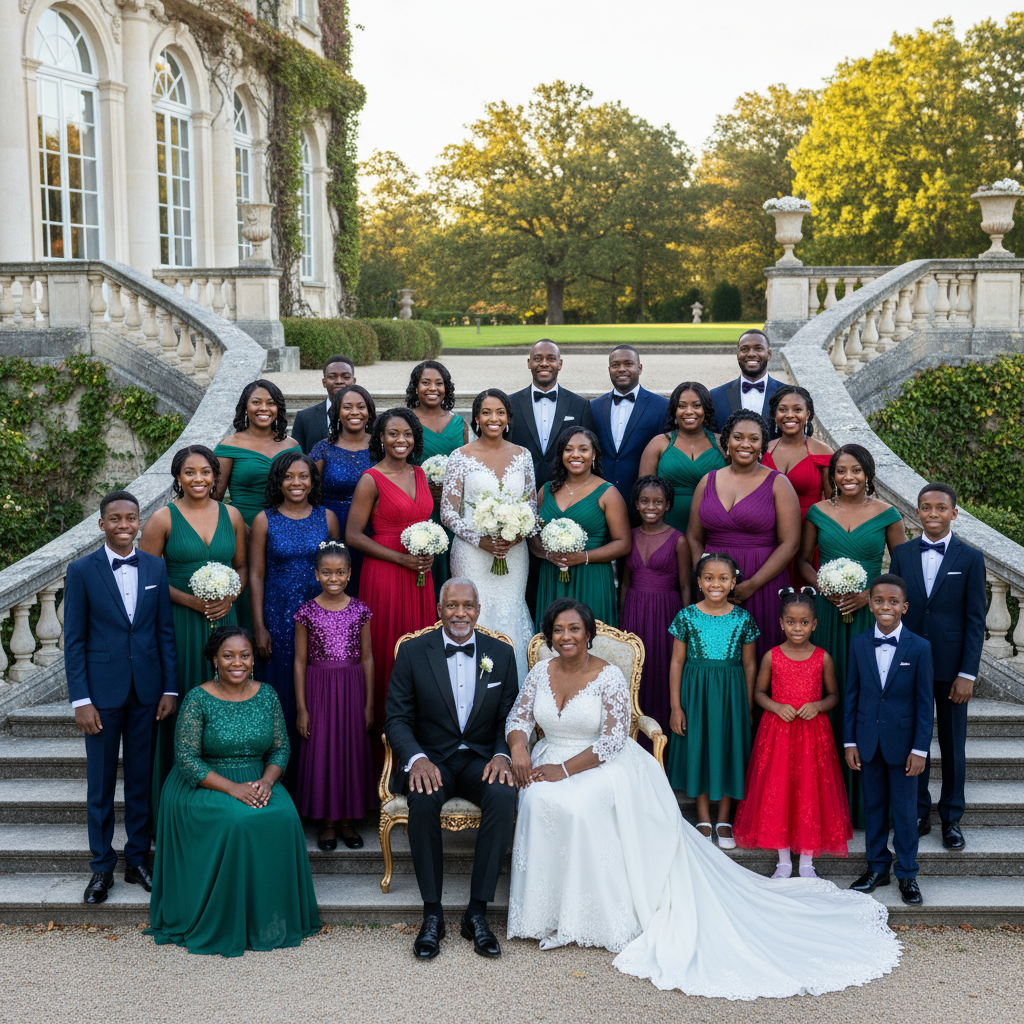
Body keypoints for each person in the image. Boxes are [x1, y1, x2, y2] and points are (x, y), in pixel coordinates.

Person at [505, 598, 901, 998]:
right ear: (549, 635)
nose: (567, 636)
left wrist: (566, 770)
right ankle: (546, 913)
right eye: (559, 630)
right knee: (537, 800)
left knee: (576, 805)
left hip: (601, 762)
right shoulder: (540, 671)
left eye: (575, 629)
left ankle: (588, 916)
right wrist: (519, 747)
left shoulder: (607, 674)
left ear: (588, 634)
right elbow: (518, 718)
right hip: (547, 755)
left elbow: (612, 739)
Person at [146, 627, 320, 956]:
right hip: (204, 781)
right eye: (228, 656)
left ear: (254, 659)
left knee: (283, 815)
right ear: (214, 659)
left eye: (244, 655)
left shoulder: (267, 694)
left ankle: (269, 917)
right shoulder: (198, 698)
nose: (237, 663)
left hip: (257, 776)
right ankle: (229, 919)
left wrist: (267, 782)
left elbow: (281, 750)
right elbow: (186, 759)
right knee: (237, 820)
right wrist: (233, 789)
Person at [383, 579, 519, 960]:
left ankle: (477, 912)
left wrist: (501, 755)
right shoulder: (412, 652)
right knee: (422, 799)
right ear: (439, 609)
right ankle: (432, 914)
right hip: (432, 759)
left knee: (503, 795)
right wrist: (416, 759)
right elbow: (396, 718)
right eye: (452, 606)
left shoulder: (501, 653)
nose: (461, 613)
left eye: (468, 606)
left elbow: (509, 715)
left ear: (478, 608)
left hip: (480, 759)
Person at [64, 490, 178, 905]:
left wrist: (169, 687)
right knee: (100, 784)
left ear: (139, 523)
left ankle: (137, 859)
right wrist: (81, 700)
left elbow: (164, 631)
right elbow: (73, 641)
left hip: (147, 691)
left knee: (140, 780)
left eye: (131, 518)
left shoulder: (154, 566)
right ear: (102, 524)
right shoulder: (81, 571)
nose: (125, 525)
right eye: (116, 519)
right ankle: (100, 868)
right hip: (101, 694)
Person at [796, 443, 906, 827]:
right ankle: (826, 799)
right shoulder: (817, 512)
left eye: (856, 470)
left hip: (869, 618)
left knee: (866, 698)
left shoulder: (887, 515)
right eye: (840, 471)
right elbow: (803, 563)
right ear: (832, 476)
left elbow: (902, 568)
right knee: (827, 695)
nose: (848, 478)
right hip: (826, 616)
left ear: (868, 473)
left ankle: (866, 803)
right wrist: (824, 587)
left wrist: (868, 596)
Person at [139, 446, 248, 828]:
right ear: (178, 476)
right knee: (185, 699)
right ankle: (171, 808)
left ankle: (225, 794)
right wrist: (191, 600)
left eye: (206, 472)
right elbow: (146, 577)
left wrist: (230, 597)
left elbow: (243, 566)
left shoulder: (231, 514)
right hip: (181, 622)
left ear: (216, 476)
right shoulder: (161, 520)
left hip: (225, 620)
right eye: (190, 472)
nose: (198, 479)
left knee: (226, 705)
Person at [889, 482, 986, 850]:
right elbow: (895, 610)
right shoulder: (902, 553)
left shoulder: (971, 558)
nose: (933, 514)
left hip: (951, 669)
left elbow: (976, 620)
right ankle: (918, 810)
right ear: (917, 512)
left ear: (954, 513)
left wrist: (967, 673)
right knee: (915, 741)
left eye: (941, 508)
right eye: (926, 508)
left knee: (952, 743)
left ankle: (952, 818)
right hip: (910, 663)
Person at [733, 588, 851, 880]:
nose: (797, 628)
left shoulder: (822, 658)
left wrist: (818, 705)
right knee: (779, 790)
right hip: (778, 732)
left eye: (803, 622)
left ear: (814, 624)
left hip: (813, 734)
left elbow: (835, 695)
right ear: (781, 623)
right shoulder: (772, 656)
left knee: (810, 790)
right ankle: (783, 860)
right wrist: (775, 706)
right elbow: (758, 692)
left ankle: (808, 862)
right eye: (791, 622)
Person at [346, 408, 436, 756]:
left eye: (408, 434)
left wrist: (427, 552)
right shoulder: (370, 478)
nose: (401, 440)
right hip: (385, 574)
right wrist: (401, 558)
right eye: (393, 434)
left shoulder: (420, 473)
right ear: (380, 437)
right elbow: (353, 535)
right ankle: (382, 757)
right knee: (387, 653)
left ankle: (421, 748)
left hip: (420, 577)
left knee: (422, 654)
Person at [249, 453, 339, 790]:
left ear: (313, 481)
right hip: (279, 615)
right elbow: (256, 575)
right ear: (278, 481)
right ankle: (282, 788)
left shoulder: (327, 518)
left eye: (304, 476)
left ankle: (317, 788)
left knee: (317, 699)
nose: (297, 482)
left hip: (321, 616)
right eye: (289, 476)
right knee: (283, 697)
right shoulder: (264, 520)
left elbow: (338, 570)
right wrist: (259, 626)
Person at [845, 574, 934, 907]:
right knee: (874, 807)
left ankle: (907, 873)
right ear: (870, 605)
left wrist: (920, 749)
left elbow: (926, 703)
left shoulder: (920, 647)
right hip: (868, 741)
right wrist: (849, 742)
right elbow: (852, 695)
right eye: (879, 600)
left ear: (904, 607)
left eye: (893, 601)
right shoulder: (858, 644)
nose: (886, 606)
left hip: (905, 745)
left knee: (905, 810)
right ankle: (877, 866)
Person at [441, 389, 536, 682]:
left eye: (499, 413)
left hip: (513, 553)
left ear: (508, 418)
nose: (493, 418)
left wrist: (517, 535)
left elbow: (531, 506)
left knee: (511, 611)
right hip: (472, 553)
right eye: (486, 413)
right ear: (476, 419)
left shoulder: (523, 456)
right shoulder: (461, 457)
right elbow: (448, 511)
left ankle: (513, 691)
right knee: (472, 610)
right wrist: (479, 539)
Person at [687, 411, 800, 658]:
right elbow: (694, 537)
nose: (745, 444)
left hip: (762, 580)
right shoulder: (708, 481)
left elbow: (790, 544)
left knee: (759, 652)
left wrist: (750, 585)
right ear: (726, 441)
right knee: (715, 653)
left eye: (754, 439)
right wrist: (704, 578)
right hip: (715, 585)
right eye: (738, 437)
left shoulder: (778, 483)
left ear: (763, 444)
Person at [666, 554, 759, 849]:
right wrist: (676, 706)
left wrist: (747, 704)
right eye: (708, 578)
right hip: (696, 692)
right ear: (699, 582)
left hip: (731, 693)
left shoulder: (743, 618)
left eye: (723, 578)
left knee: (728, 749)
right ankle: (704, 817)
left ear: (734, 582)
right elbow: (677, 662)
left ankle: (725, 819)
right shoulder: (686, 616)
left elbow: (750, 665)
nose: (715, 584)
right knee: (700, 748)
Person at [294, 540, 374, 851]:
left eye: (340, 572)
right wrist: (302, 707)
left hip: (352, 685)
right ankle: (326, 822)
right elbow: (300, 661)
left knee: (350, 749)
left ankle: (347, 820)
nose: (334, 579)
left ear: (350, 573)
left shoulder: (360, 610)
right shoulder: (307, 612)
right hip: (319, 686)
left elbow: (367, 657)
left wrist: (368, 703)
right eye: (326, 573)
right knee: (323, 748)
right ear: (316, 574)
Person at [214, 379, 301, 629]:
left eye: (271, 403)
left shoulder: (292, 446)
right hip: (244, 535)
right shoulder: (229, 446)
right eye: (256, 402)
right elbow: (214, 501)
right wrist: (241, 528)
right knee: (249, 608)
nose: (264, 408)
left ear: (278, 409)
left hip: (286, 534)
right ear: (245, 407)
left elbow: (303, 489)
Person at [530, 427, 631, 631]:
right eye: (569, 449)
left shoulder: (608, 493)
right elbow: (533, 533)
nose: (576, 455)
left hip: (591, 576)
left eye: (583, 449)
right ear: (561, 455)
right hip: (552, 575)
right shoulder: (546, 490)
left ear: (593, 455)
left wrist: (583, 556)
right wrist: (547, 555)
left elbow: (623, 543)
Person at [618, 475, 687, 744]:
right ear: (636, 504)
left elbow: (684, 587)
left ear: (668, 505)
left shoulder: (678, 540)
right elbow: (624, 582)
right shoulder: (630, 537)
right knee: (636, 673)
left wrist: (683, 627)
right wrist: (623, 620)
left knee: (661, 670)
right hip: (634, 611)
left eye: (658, 502)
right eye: (645, 501)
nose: (651, 507)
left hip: (665, 614)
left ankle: (661, 745)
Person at [406, 360, 469, 599]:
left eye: (439, 383)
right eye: (425, 383)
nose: (432, 388)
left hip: (452, 509)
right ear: (415, 387)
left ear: (446, 388)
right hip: (417, 506)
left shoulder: (458, 424)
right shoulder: (405, 421)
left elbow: (466, 468)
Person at [310, 383, 375, 595]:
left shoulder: (381, 447)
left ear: (369, 411)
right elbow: (309, 495)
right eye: (347, 407)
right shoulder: (323, 449)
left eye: (361, 407)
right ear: (337, 412)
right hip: (332, 529)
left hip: (373, 530)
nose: (355, 412)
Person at [763, 385, 832, 583]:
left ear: (808, 414)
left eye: (797, 409)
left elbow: (832, 503)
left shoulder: (822, 451)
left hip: (809, 536)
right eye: (783, 409)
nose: (789, 415)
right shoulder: (765, 451)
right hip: (770, 535)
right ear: (775, 414)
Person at [638, 381, 725, 535]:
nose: (689, 411)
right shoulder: (659, 444)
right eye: (682, 406)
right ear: (674, 410)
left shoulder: (722, 444)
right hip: (667, 526)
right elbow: (643, 492)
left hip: (714, 525)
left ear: (706, 409)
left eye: (696, 406)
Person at [508, 339, 596, 487]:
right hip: (518, 487)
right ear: (529, 363)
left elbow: (590, 453)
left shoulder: (580, 405)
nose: (544, 363)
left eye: (551, 358)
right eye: (537, 359)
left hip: (566, 490)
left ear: (560, 364)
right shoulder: (510, 404)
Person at [589, 346, 669, 504]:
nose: (621, 369)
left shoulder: (662, 407)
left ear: (639, 368)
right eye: (615, 365)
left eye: (628, 364)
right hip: (598, 499)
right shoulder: (593, 407)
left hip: (642, 501)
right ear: (609, 369)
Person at [708, 329, 785, 433]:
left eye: (758, 348)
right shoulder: (715, 396)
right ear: (737, 354)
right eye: (744, 349)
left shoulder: (787, 394)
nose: (751, 354)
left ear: (769, 354)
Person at [291, 355, 357, 455]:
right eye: (332, 377)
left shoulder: (364, 416)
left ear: (353, 381)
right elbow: (296, 458)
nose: (339, 381)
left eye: (346, 377)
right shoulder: (304, 417)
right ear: (324, 382)